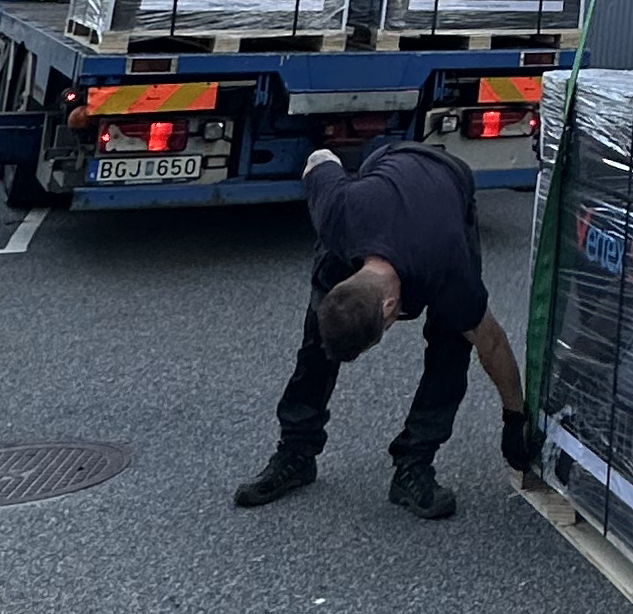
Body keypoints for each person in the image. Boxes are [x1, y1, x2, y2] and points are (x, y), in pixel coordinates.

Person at [233, 135, 545, 520]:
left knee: (452, 341)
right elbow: (319, 157)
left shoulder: (447, 269)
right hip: (382, 171)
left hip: (448, 182)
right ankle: (296, 452)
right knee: (321, 334)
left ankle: (414, 464)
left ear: (389, 308)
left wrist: (515, 416)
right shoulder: (338, 213)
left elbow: (491, 343)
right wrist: (353, 182)